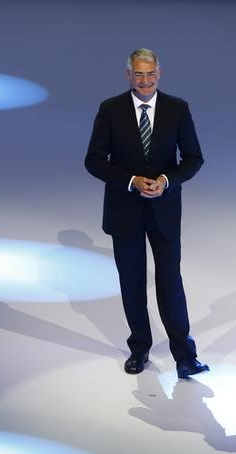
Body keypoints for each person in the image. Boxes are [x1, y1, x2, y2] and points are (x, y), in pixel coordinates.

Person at [84, 48, 209, 379]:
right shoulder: (110, 109)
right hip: (124, 209)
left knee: (170, 281)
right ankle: (139, 349)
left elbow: (194, 158)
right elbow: (93, 160)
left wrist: (165, 181)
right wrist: (131, 181)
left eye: (150, 74)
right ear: (128, 75)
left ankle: (185, 356)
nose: (145, 80)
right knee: (133, 282)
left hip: (164, 210)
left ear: (159, 73)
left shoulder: (177, 109)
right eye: (138, 74)